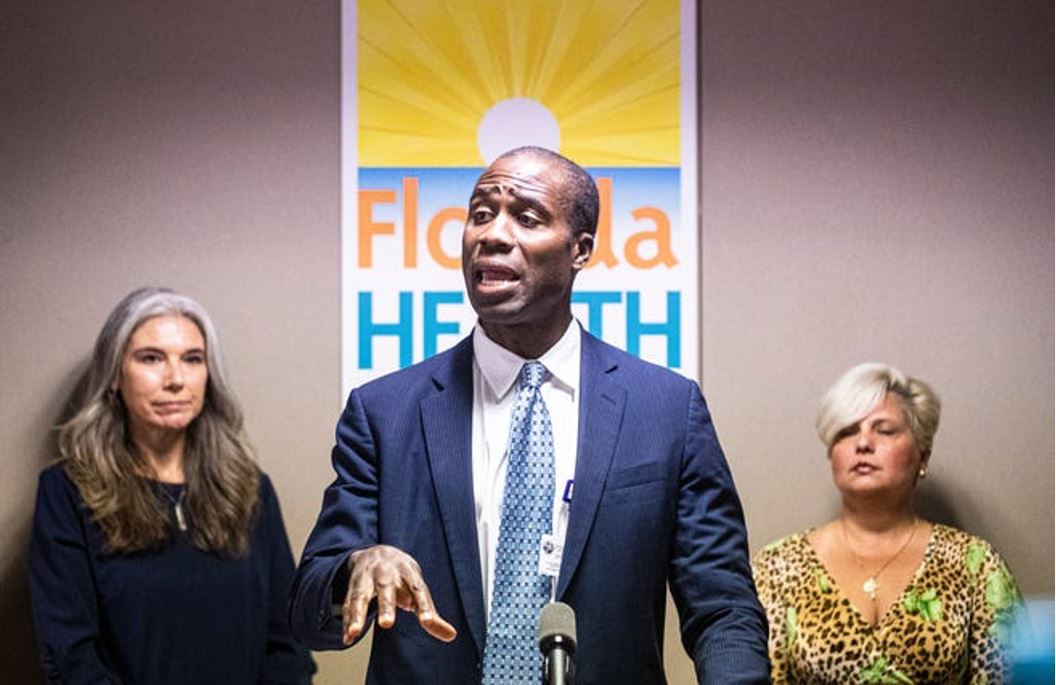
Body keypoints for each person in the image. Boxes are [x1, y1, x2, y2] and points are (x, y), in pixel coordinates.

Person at [290, 147, 769, 683]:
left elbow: (723, 607)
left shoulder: (666, 410)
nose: (492, 234)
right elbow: (307, 610)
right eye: (480, 214)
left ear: (580, 250)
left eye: (527, 217)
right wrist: (355, 568)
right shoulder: (384, 412)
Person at [28, 287, 315, 684]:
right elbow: (70, 656)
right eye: (151, 358)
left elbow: (289, 645)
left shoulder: (250, 489)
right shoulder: (66, 492)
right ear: (114, 374)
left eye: (192, 359)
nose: (176, 379)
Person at [752, 362, 1023, 684]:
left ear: (923, 455)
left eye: (884, 430)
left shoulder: (974, 564)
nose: (863, 443)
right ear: (831, 454)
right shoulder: (778, 567)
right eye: (847, 431)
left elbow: (1010, 677)